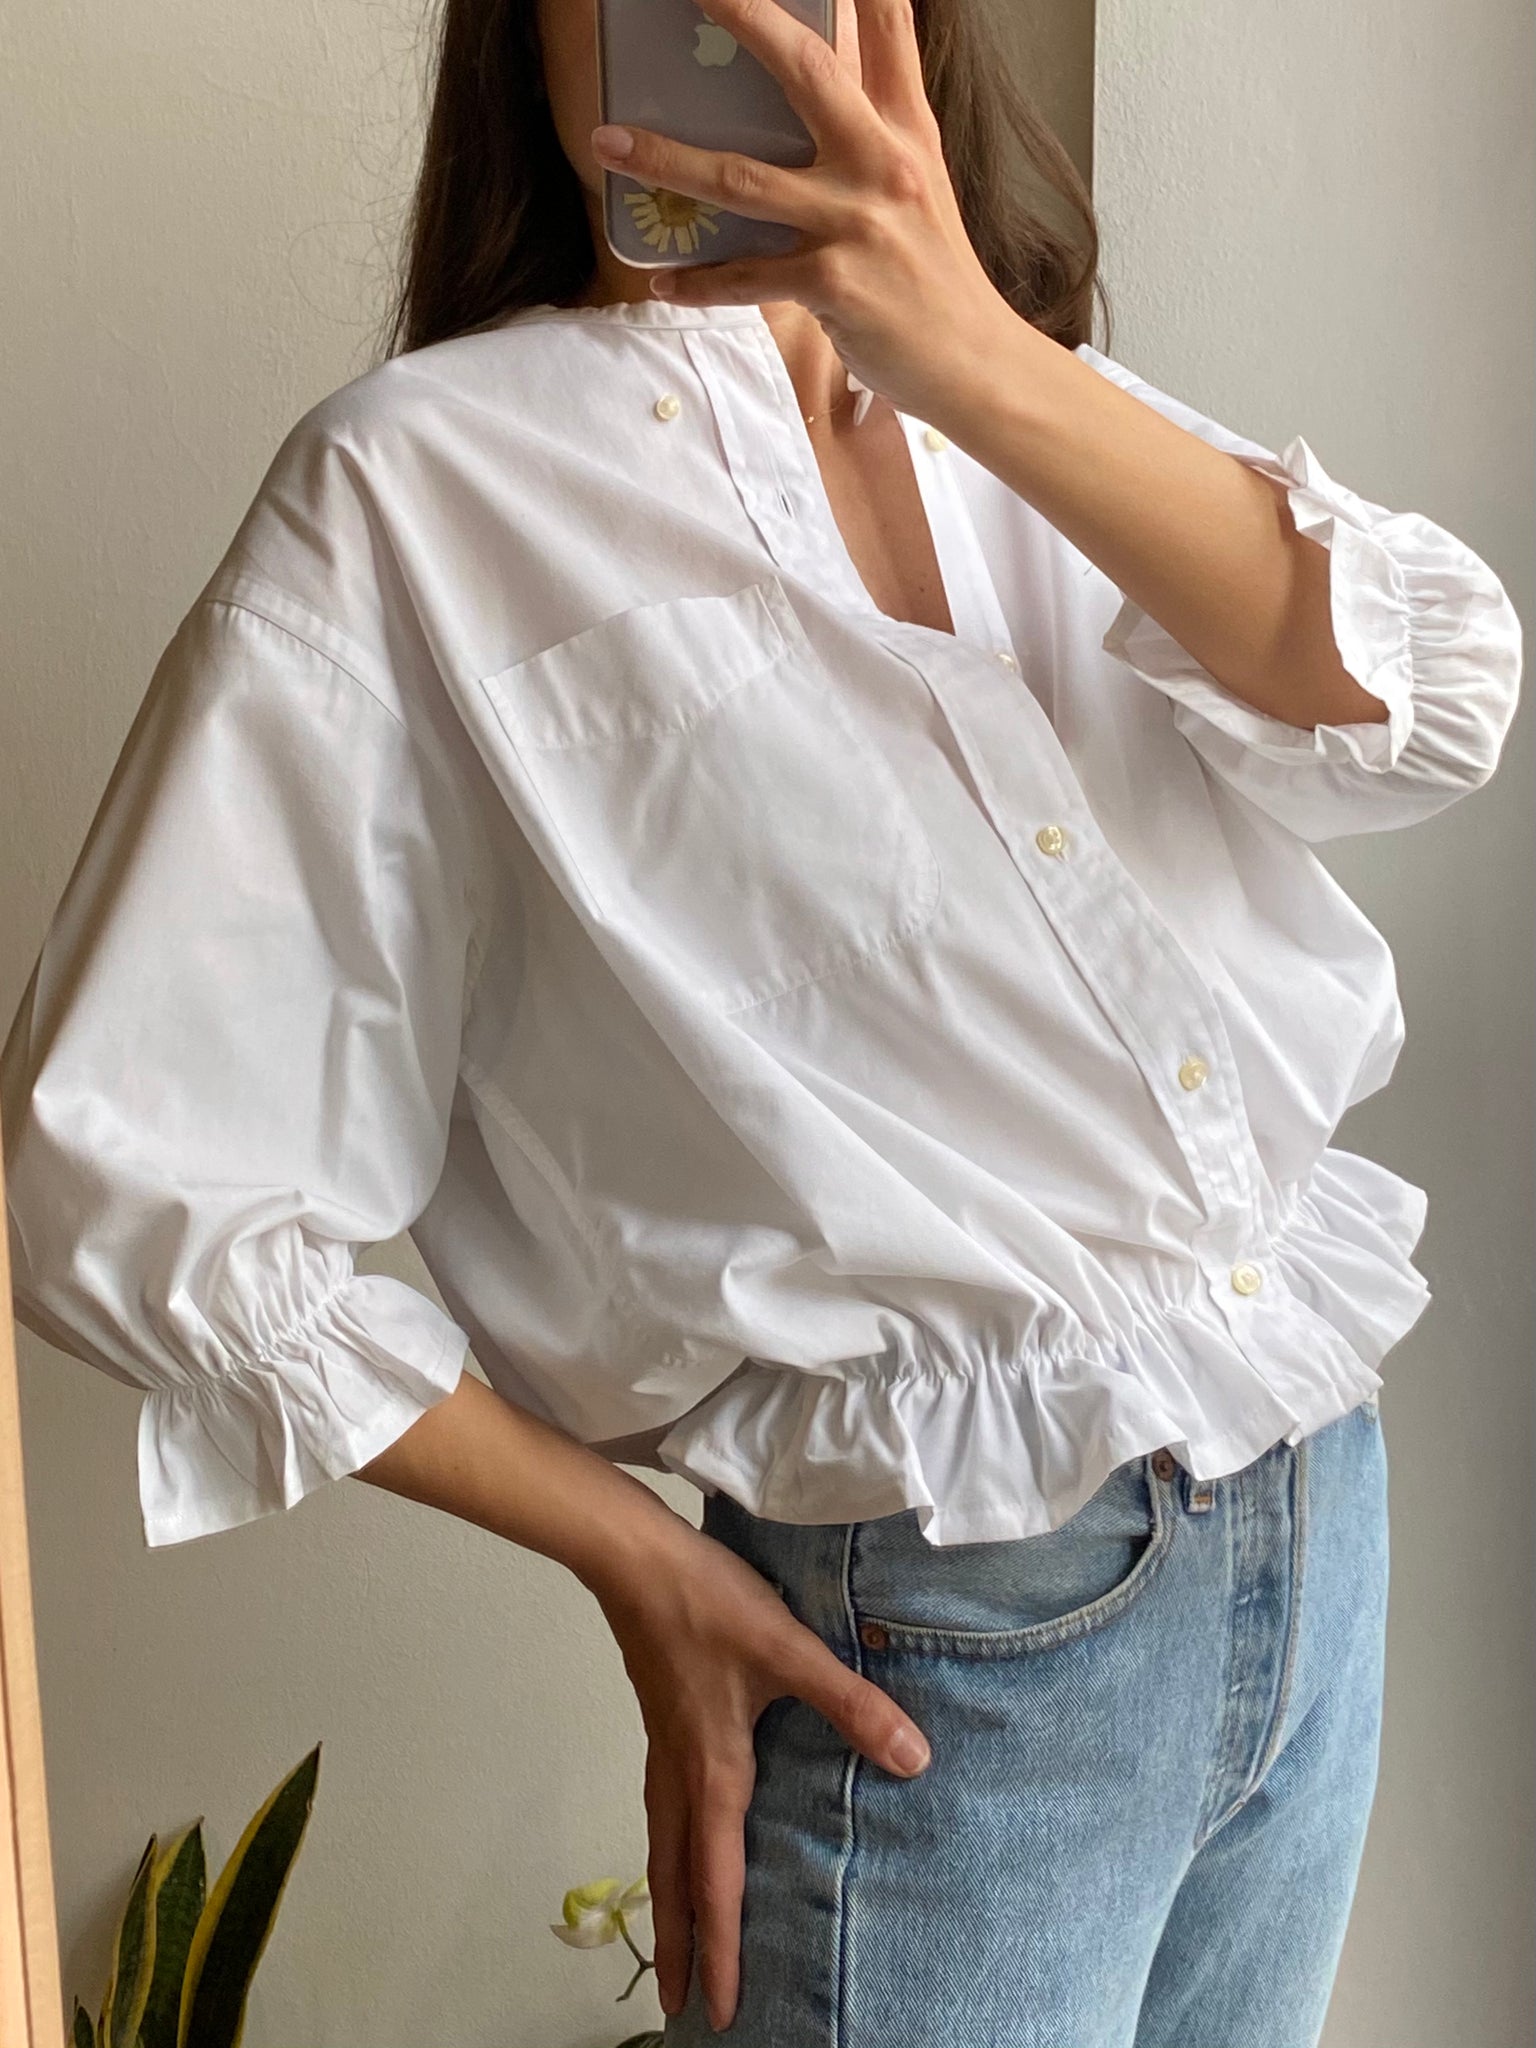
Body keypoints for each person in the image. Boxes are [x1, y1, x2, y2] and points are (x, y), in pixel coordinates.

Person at [2, 0, 1522, 2041]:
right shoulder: (417, 488)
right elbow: (119, 1174)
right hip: (958, 1639)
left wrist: (966, 352)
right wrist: (634, 1557)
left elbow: (1431, 701)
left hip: (1318, 1521)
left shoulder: (1024, 400)